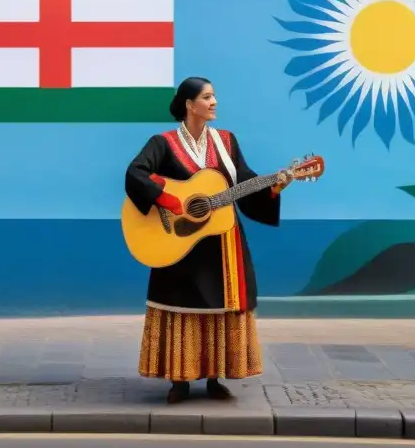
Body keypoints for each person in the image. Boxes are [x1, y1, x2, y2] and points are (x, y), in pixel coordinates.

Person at [124, 76, 291, 404]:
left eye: (214, 96)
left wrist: (273, 186)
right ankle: (179, 380)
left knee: (220, 304)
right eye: (207, 97)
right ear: (189, 105)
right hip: (179, 243)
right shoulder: (163, 143)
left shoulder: (226, 142)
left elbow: (243, 181)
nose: (214, 102)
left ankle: (215, 377)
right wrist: (173, 202)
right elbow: (136, 174)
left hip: (221, 238)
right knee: (182, 305)